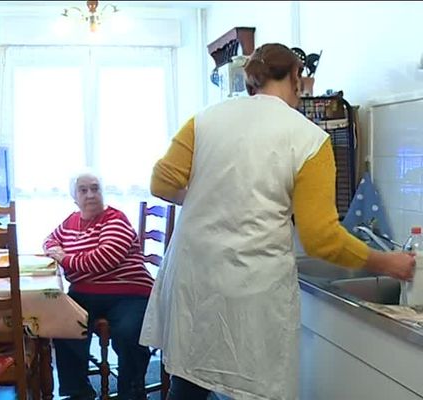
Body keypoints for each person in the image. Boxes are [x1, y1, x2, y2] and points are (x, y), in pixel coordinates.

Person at [139, 43, 416, 400]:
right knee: (254, 389)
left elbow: (162, 183)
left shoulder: (206, 119)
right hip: (250, 289)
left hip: (193, 279)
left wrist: (205, 199)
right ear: (296, 79)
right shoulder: (308, 139)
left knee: (189, 379)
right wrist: (386, 262)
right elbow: (322, 239)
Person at [43, 170, 154, 400]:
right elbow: (50, 240)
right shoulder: (72, 221)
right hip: (85, 293)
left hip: (129, 293)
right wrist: (56, 250)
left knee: (127, 333)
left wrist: (65, 258)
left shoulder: (116, 219)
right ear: (75, 197)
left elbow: (102, 259)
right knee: (62, 322)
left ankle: (132, 392)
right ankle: (78, 392)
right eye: (83, 190)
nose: (91, 195)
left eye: (95, 188)